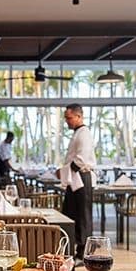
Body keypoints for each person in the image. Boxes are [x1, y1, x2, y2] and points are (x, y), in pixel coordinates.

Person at [60, 104, 96, 259]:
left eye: (69, 118)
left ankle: (84, 253)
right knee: (70, 213)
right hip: (74, 177)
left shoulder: (84, 133)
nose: (67, 121)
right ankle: (74, 249)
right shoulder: (78, 133)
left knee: (82, 215)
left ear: (79, 116)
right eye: (66, 118)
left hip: (81, 177)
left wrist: (63, 172)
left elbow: (81, 159)